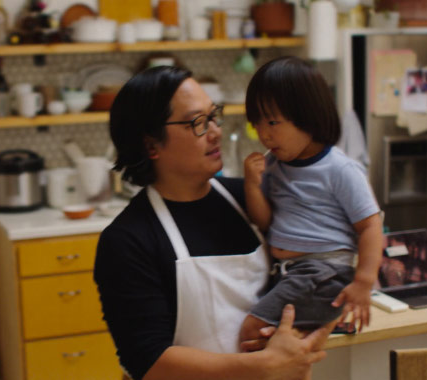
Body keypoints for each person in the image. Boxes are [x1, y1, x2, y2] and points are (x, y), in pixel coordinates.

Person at [93, 65, 337, 380]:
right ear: (151, 144)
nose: (215, 131)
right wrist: (262, 366)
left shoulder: (251, 198)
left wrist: (305, 334)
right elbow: (149, 361)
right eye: (197, 122)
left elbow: (327, 263)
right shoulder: (128, 241)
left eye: (213, 116)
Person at [240, 56, 383, 347]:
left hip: (322, 272)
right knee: (269, 336)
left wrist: (363, 282)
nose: (264, 135)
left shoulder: (339, 169)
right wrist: (252, 186)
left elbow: (370, 226)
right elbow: (265, 221)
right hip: (289, 273)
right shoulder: (275, 165)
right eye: (257, 123)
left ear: (308, 117)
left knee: (251, 331)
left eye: (272, 122)